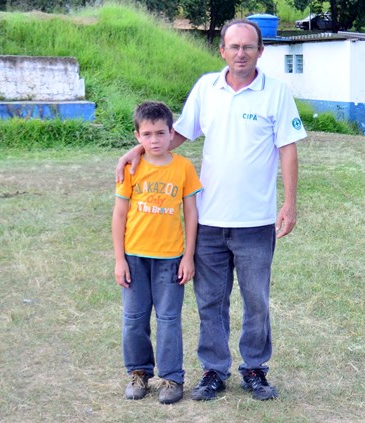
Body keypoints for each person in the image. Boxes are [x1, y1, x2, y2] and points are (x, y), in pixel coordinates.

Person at [115, 20, 307, 401]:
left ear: (260, 51)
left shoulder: (277, 93)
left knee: (256, 301)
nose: (240, 53)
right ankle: (214, 371)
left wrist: (288, 203)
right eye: (233, 46)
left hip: (255, 221)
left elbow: (288, 148)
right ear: (222, 50)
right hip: (209, 221)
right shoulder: (207, 88)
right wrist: (137, 149)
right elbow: (178, 133)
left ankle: (254, 368)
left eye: (248, 47)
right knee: (210, 302)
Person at [112, 101, 202, 404]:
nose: (154, 140)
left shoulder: (183, 167)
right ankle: (139, 372)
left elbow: (191, 213)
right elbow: (119, 215)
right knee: (134, 318)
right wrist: (119, 259)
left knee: (168, 320)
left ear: (170, 132)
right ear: (137, 136)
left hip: (171, 258)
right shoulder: (131, 168)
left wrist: (188, 257)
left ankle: (171, 378)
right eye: (147, 134)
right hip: (135, 257)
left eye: (160, 133)